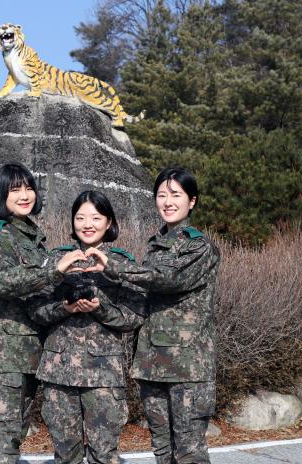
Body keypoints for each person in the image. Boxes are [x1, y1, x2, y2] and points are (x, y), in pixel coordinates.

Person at [86, 168, 220, 464]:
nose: (168, 202)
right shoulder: (154, 246)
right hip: (151, 363)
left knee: (189, 452)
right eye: (161, 195)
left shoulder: (199, 247)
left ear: (192, 201)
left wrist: (114, 267)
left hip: (188, 368)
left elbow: (168, 278)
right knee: (162, 449)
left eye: (176, 195)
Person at [0, 162, 85, 464]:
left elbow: (37, 297)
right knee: (3, 443)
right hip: (2, 357)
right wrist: (54, 271)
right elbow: (4, 282)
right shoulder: (0, 239)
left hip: (26, 354)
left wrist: (66, 301)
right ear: (0, 195)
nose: (24, 195)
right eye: (15, 189)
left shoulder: (31, 241)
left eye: (28, 187)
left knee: (14, 435)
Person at [28, 190, 146, 464]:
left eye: (96, 217)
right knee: (65, 456)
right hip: (59, 374)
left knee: (103, 455)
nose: (87, 224)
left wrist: (101, 309)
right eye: (80, 217)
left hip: (103, 377)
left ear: (109, 222)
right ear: (72, 222)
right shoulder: (56, 260)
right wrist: (64, 308)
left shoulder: (121, 263)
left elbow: (134, 316)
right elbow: (34, 309)